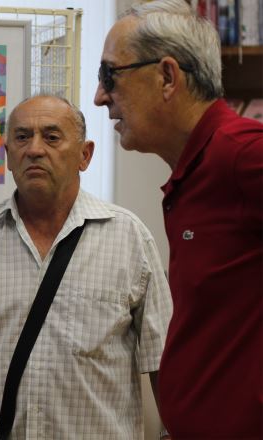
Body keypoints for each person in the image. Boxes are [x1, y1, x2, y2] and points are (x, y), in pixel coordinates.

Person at [0, 95, 172, 439]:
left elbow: (164, 359)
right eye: (22, 137)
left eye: (51, 137)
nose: (35, 149)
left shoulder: (129, 238)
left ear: (85, 155)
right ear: (8, 155)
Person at [94, 1, 263, 438]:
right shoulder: (197, 170)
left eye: (110, 75)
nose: (99, 96)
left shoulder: (242, 154)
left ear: (167, 77)